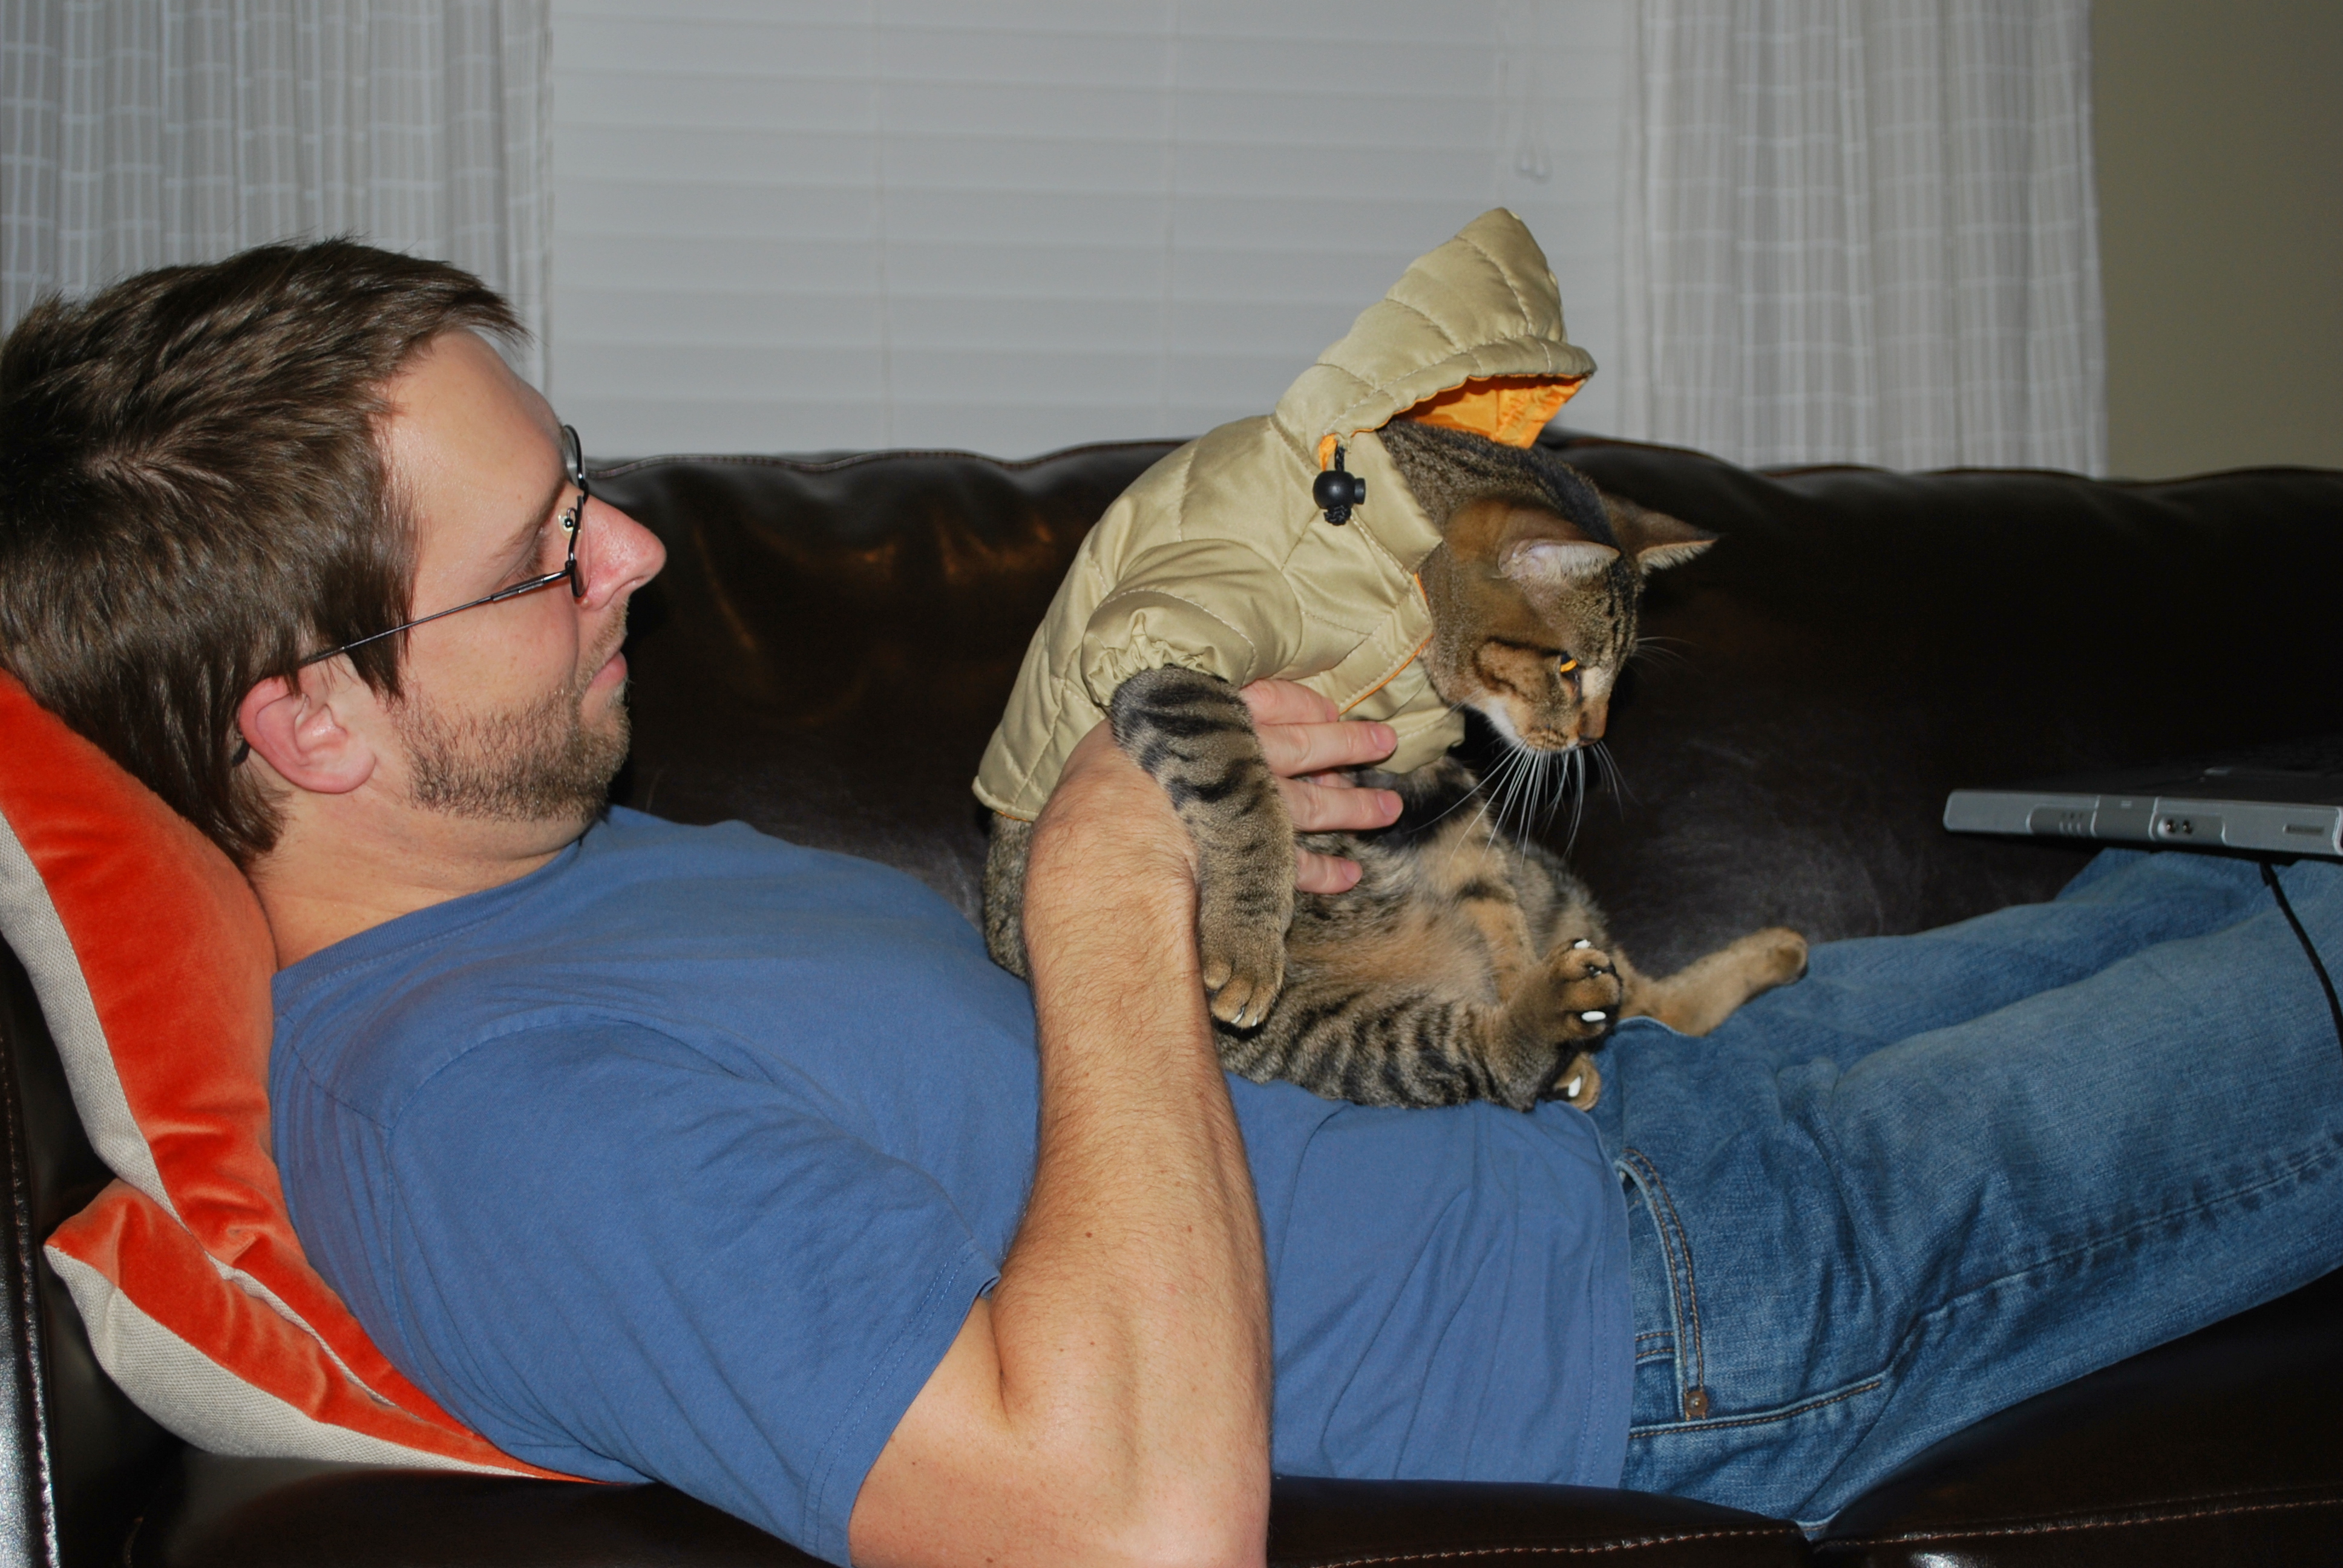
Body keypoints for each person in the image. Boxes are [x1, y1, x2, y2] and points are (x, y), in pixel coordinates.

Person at [2, 243, 2337, 1568]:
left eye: (583, 482)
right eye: (543, 558)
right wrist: (1118, 888)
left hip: (1652, 1120)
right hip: (1676, 1320)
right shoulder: (479, 1116)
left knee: (2257, 854)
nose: (633, 550)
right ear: (310, 724)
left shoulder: (565, 866)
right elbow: (1122, 1527)